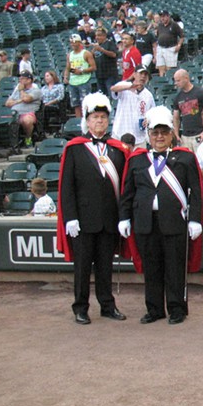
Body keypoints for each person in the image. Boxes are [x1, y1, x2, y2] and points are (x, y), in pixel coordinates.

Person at [119, 106, 203, 325]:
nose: (159, 137)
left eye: (164, 133)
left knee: (175, 268)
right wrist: (124, 217)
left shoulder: (184, 159)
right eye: (155, 133)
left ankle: (177, 309)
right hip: (146, 223)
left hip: (174, 222)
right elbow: (128, 192)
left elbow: (195, 191)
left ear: (171, 135)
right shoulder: (137, 161)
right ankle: (154, 309)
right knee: (152, 268)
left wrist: (195, 219)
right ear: (148, 135)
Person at [56, 93, 129, 325]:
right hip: (83, 220)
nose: (99, 121)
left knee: (106, 266)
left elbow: (124, 185)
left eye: (103, 117)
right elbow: (67, 186)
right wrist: (70, 218)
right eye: (95, 117)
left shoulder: (117, 150)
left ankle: (107, 305)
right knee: (83, 267)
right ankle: (80, 307)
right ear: (87, 121)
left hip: (109, 219)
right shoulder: (75, 149)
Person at [111, 65, 156, 150]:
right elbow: (113, 89)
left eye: (145, 74)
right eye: (141, 73)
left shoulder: (148, 95)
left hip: (139, 137)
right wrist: (130, 86)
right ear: (134, 74)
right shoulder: (125, 86)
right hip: (120, 133)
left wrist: (148, 120)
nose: (143, 76)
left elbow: (152, 113)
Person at [171, 69, 203, 150]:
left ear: (186, 78)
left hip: (200, 133)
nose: (176, 83)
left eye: (178, 80)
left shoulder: (201, 93)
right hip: (185, 136)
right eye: (175, 81)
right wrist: (176, 133)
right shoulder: (177, 97)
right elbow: (176, 117)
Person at [6, 71, 42, 147]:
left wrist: (21, 91)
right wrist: (19, 100)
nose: (20, 80)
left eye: (22, 78)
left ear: (29, 80)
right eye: (19, 78)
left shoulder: (36, 91)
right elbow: (7, 103)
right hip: (14, 113)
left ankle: (28, 138)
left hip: (27, 113)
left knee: (27, 120)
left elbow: (26, 99)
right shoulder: (16, 91)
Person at [64, 33, 96, 118]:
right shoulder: (69, 55)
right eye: (71, 42)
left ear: (79, 42)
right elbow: (68, 67)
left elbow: (93, 67)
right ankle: (78, 122)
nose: (73, 44)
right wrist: (66, 77)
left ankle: (87, 120)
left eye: (75, 42)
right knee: (76, 104)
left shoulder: (86, 53)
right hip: (73, 82)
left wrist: (82, 71)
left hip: (84, 81)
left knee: (85, 104)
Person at [155, 10, 184, 77]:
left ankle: (169, 81)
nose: (162, 18)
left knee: (169, 69)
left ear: (168, 16)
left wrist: (179, 45)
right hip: (160, 47)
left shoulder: (174, 24)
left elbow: (182, 36)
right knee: (161, 67)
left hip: (170, 47)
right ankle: (162, 80)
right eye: (161, 16)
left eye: (164, 16)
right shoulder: (160, 25)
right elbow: (158, 35)